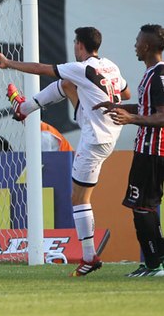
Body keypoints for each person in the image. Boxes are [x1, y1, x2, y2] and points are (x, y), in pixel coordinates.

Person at [0, 26, 130, 276]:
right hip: (105, 129)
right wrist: (92, 99)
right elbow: (125, 92)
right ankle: (25, 108)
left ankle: (89, 257)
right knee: (67, 84)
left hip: (94, 139)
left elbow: (41, 69)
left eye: (75, 43)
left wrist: (8, 62)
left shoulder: (82, 67)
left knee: (79, 199)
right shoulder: (111, 66)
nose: (74, 46)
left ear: (80, 45)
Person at [93, 24, 164, 277]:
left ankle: (155, 265)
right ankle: (153, 263)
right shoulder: (151, 74)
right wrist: (117, 105)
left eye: (137, 41)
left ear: (146, 46)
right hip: (147, 150)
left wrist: (131, 120)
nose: (134, 44)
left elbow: (161, 116)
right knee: (143, 206)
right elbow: (147, 109)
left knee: (142, 206)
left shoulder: (159, 76)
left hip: (153, 151)